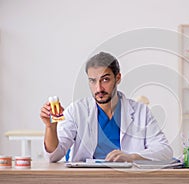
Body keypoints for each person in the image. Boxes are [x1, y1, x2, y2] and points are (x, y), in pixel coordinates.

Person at [40, 52, 173, 162]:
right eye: (93, 81)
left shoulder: (140, 112)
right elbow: (53, 156)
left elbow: (164, 151)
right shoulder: (76, 111)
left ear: (118, 78)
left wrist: (131, 157)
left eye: (105, 79)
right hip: (86, 181)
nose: (99, 88)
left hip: (128, 180)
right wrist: (50, 128)